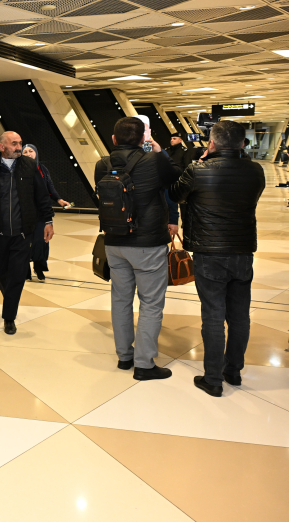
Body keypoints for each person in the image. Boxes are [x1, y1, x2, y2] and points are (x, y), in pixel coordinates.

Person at [170, 121, 265, 397]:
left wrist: (200, 163)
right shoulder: (255, 170)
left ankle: (212, 379)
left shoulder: (198, 169)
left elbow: (175, 194)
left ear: (211, 143)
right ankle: (233, 370)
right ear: (242, 144)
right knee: (239, 315)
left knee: (212, 315)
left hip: (208, 251)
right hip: (242, 250)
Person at [95, 117, 182, 381]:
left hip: (114, 241)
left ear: (113, 139)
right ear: (143, 138)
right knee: (151, 303)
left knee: (120, 299)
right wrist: (160, 152)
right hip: (147, 243)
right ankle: (144, 364)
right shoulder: (153, 160)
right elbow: (176, 181)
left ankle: (125, 357)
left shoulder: (102, 165)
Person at [0, 132, 54, 335]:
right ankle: (11, 299)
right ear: (2, 146)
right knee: (0, 271)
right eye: (14, 144)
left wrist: (48, 220)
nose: (18, 147)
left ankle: (9, 317)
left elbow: (42, 195)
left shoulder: (29, 166)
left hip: (23, 234)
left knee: (17, 274)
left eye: (20, 143)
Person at [22, 144, 69, 281]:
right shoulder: (18, 170)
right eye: (25, 152)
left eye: (31, 151)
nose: (28, 154)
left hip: (41, 212)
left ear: (36, 153)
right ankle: (25, 271)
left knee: (41, 241)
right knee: (24, 243)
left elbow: (50, 187)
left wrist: (59, 200)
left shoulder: (42, 169)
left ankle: (39, 268)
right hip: (24, 213)